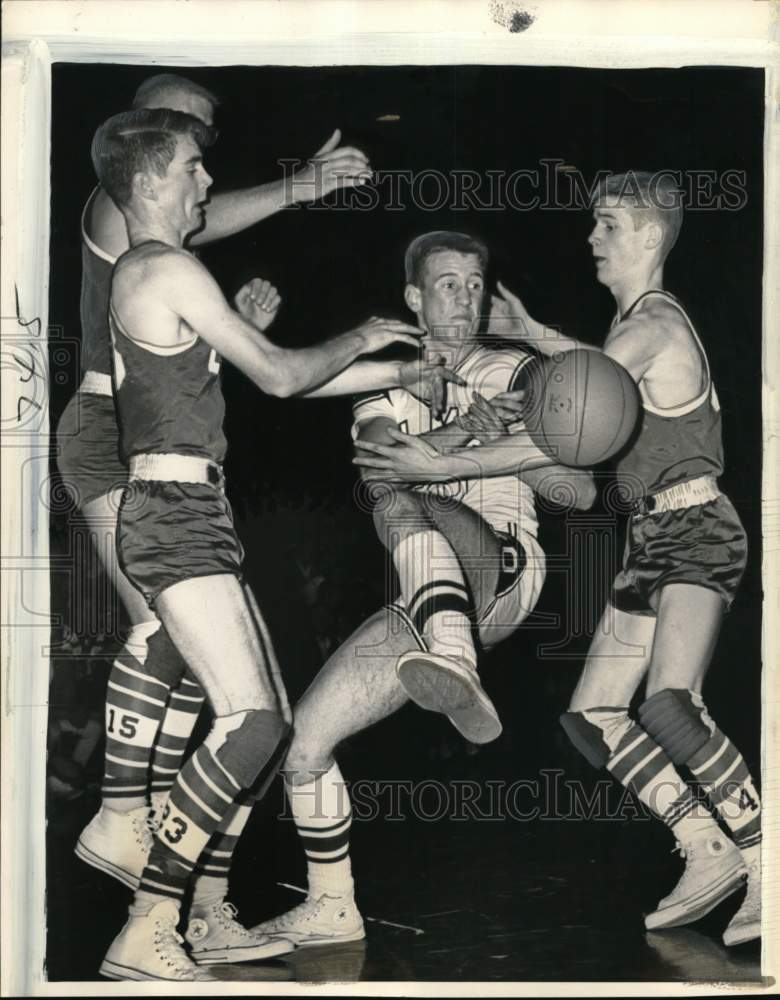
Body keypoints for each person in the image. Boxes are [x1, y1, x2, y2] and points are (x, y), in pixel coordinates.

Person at [90, 107, 451, 981]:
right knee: (253, 723)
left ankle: (181, 900)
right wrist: (367, 334)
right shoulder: (160, 265)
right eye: (190, 170)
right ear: (147, 183)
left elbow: (285, 382)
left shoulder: (164, 272)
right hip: (173, 510)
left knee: (263, 720)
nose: (206, 183)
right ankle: (146, 919)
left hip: (190, 509)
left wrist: (401, 372)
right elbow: (283, 371)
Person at [402, 175, 760, 946]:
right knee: (591, 716)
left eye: (607, 224)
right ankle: (706, 848)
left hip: (697, 528)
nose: (592, 238)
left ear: (650, 238)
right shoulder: (638, 325)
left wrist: (434, 467)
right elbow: (595, 368)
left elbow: (564, 429)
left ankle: (768, 861)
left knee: (669, 704)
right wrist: (534, 332)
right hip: (651, 541)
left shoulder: (656, 324)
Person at [249, 231, 595, 947]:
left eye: (475, 282)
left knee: (409, 492)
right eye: (447, 283)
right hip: (428, 596)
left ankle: (453, 647)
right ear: (413, 296)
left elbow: (580, 489)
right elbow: (379, 464)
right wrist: (461, 439)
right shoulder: (383, 377)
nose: (465, 296)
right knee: (305, 743)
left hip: (501, 566)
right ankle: (332, 903)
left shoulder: (510, 366)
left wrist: (493, 448)